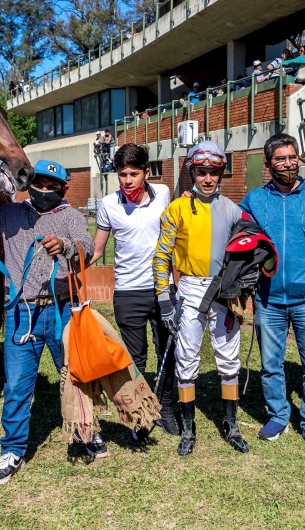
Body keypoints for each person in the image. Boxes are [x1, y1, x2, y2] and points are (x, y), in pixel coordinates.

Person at [0, 160, 94, 486]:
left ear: (63, 188)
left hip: (63, 309)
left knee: (75, 377)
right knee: (17, 385)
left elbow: (87, 249)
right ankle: (12, 450)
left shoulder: (70, 217)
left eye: (52, 186)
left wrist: (65, 246)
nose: (44, 191)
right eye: (40, 184)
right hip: (21, 312)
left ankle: (86, 432)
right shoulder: (8, 214)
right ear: (29, 184)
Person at [240, 133, 305, 453]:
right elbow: (238, 234)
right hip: (268, 299)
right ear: (268, 164)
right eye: (281, 159)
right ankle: (278, 415)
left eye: (292, 157)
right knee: (271, 364)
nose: (289, 163)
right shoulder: (255, 199)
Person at [153, 140, 250, 457]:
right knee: (187, 358)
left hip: (224, 290)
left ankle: (231, 426)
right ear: (192, 172)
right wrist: (164, 298)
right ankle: (188, 430)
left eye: (213, 172)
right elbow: (161, 256)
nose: (207, 178)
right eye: (201, 172)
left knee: (228, 358)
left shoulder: (234, 209)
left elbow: (253, 245)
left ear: (221, 172)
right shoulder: (176, 209)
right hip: (190, 289)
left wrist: (245, 280)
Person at [90, 143, 180, 446]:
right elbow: (97, 250)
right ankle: (142, 413)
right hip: (127, 293)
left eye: (133, 173)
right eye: (122, 174)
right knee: (135, 360)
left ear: (146, 172)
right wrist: (69, 264)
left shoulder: (164, 194)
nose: (127, 180)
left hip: (162, 289)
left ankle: (166, 407)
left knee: (168, 352)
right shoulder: (108, 204)